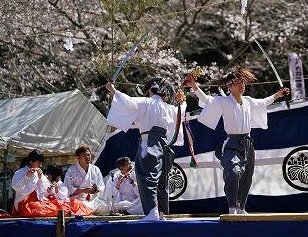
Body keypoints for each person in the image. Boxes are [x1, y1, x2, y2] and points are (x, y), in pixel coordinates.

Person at [184, 67, 289, 214]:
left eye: (243, 82)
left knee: (247, 176)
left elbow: (263, 102)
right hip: (232, 142)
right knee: (233, 172)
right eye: (238, 83)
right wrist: (194, 86)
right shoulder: (224, 101)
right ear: (229, 87)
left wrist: (278, 94)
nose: (242, 85)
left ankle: (241, 207)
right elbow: (207, 100)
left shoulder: (248, 101)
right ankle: (232, 206)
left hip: (248, 143)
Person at [106, 77, 185, 221]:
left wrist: (113, 90)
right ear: (165, 93)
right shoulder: (169, 108)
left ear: (150, 89)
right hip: (165, 145)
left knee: (146, 176)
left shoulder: (146, 103)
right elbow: (180, 112)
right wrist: (182, 101)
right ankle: (162, 214)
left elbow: (127, 102)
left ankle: (152, 212)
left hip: (149, 143)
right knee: (161, 180)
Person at [63, 145, 111, 215]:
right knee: (82, 206)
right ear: (78, 157)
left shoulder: (95, 169)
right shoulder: (71, 171)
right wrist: (83, 190)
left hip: (92, 199)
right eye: (84, 156)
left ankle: (86, 212)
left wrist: (95, 189)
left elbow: (101, 186)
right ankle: (84, 212)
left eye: (88, 155)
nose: (87, 157)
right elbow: (68, 189)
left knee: (106, 206)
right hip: (78, 200)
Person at [11, 150, 57, 217]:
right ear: (31, 162)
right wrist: (26, 176)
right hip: (24, 202)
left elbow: (45, 188)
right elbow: (16, 187)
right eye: (39, 162)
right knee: (38, 208)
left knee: (53, 208)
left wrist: (40, 178)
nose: (40, 165)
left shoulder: (38, 171)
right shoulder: (20, 172)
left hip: (36, 201)